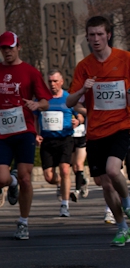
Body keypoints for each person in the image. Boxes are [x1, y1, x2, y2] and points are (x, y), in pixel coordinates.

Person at [0, 31, 51, 241]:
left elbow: (46, 101)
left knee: (26, 177)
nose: (7, 51)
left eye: (11, 47)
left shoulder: (30, 72)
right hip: (1, 132)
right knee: (0, 179)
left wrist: (37, 104)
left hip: (24, 130)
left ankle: (23, 221)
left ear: (18, 47)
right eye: (3, 48)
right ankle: (11, 184)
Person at [66, 16, 130, 246]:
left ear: (108, 35)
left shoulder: (125, 59)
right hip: (95, 131)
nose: (96, 39)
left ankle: (128, 204)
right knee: (104, 183)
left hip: (122, 126)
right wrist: (83, 88)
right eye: (91, 35)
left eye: (100, 34)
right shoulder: (84, 67)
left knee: (113, 170)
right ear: (87, 37)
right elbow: (70, 102)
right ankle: (122, 227)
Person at [36, 70, 83, 217]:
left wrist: (78, 120)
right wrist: (36, 134)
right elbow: (36, 118)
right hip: (48, 140)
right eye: (50, 81)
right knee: (49, 177)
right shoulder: (43, 99)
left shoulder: (68, 98)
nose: (52, 84)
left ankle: (65, 204)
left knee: (64, 169)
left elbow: (80, 114)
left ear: (61, 82)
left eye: (55, 81)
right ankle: (60, 184)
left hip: (65, 138)